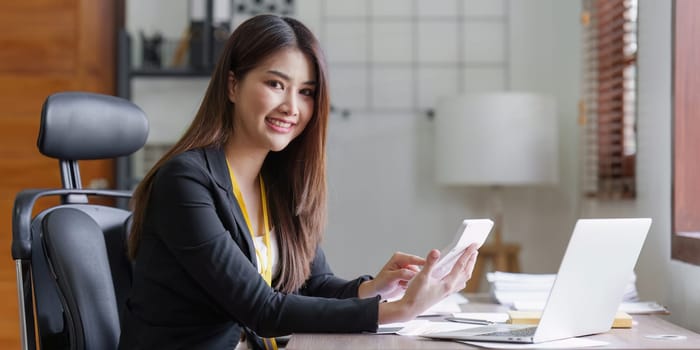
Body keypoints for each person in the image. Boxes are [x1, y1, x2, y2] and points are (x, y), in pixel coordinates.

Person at [118, 14, 479, 350]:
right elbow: (261, 309)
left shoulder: (276, 183)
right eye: (276, 84)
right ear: (232, 85)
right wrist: (399, 311)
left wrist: (375, 289)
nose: (292, 106)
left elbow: (312, 284)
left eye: (306, 92)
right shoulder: (185, 182)